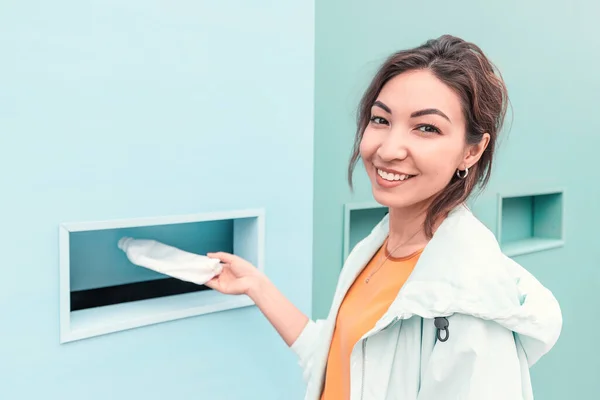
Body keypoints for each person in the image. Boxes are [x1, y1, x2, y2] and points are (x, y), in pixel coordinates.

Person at [205, 35, 563, 400]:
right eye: (381, 120)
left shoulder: (469, 308)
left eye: (427, 128)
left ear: (471, 151)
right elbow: (342, 365)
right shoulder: (377, 248)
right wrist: (257, 287)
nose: (388, 149)